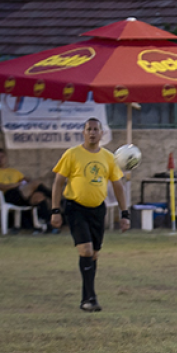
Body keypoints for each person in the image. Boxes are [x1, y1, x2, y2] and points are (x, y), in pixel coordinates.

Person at [50, 118, 130, 312]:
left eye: (96, 129)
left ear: (101, 134)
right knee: (85, 250)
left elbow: (118, 186)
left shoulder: (109, 157)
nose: (92, 133)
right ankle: (89, 298)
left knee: (93, 254)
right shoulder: (72, 154)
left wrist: (125, 213)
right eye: (89, 129)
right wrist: (55, 211)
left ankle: (89, 296)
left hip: (97, 210)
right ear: (83, 133)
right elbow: (58, 182)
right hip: (76, 208)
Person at [0, 148, 53, 233]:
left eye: (2, 157)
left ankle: (49, 225)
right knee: (36, 183)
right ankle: (56, 199)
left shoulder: (13, 171)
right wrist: (13, 185)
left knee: (39, 196)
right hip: (8, 195)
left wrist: (24, 183)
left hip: (21, 196)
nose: (0, 159)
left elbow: (27, 181)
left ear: (5, 158)